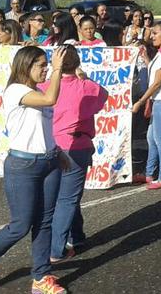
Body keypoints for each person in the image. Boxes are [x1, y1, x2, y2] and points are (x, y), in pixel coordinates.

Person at [0, 45, 70, 294]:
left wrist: (57, 151)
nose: (46, 69)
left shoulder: (36, 91)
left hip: (49, 162)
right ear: (25, 65)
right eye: (41, 64)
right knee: (21, 224)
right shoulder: (16, 91)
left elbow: (42, 130)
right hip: (22, 166)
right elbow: (51, 99)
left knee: (44, 222)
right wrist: (59, 69)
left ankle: (41, 277)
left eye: (47, 64)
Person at [43, 44, 108, 263]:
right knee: (69, 198)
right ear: (78, 63)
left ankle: (77, 236)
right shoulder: (87, 86)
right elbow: (103, 94)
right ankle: (56, 249)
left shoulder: (44, 86)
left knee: (63, 196)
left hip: (51, 146)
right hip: (77, 146)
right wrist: (85, 77)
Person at [132, 21, 161, 189]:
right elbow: (155, 74)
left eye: (155, 33)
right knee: (151, 137)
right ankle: (149, 173)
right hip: (160, 101)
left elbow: (156, 83)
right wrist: (146, 59)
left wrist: (140, 102)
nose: (152, 36)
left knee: (160, 139)